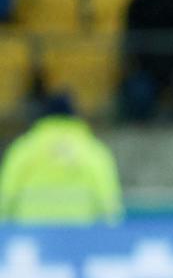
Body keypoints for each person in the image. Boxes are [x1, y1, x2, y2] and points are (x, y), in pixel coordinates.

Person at [0, 94, 123, 225]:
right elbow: (109, 205)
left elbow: (5, 198)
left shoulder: (24, 149)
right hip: (80, 235)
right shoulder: (93, 151)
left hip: (32, 233)